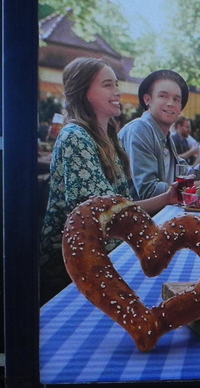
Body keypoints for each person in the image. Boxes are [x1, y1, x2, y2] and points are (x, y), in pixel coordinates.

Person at [41, 58, 182, 302]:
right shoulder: (75, 136)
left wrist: (167, 198)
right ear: (84, 92)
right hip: (72, 267)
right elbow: (101, 216)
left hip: (108, 252)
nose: (118, 91)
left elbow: (120, 207)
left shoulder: (109, 139)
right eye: (108, 85)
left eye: (116, 84)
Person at [119, 70, 200, 199]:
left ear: (180, 109)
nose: (171, 103)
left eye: (176, 99)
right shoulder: (140, 129)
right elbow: (148, 191)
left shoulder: (165, 136)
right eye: (163, 96)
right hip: (137, 216)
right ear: (147, 99)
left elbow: (187, 175)